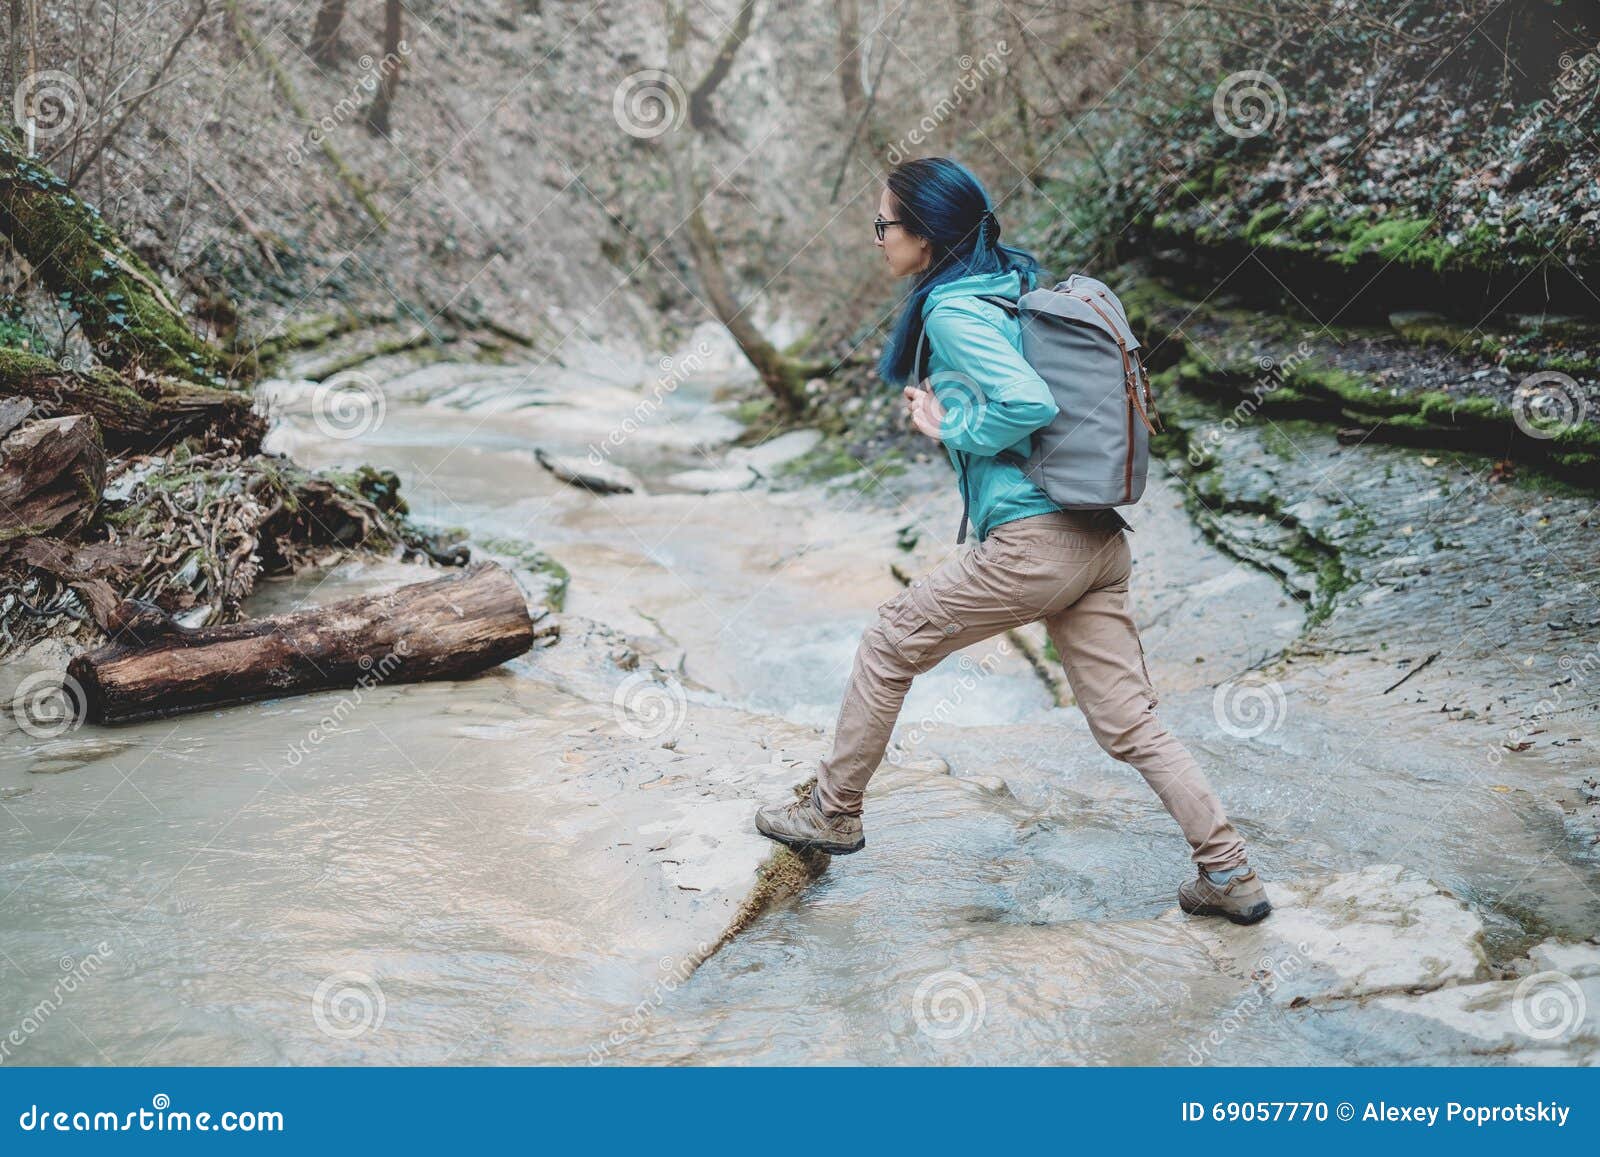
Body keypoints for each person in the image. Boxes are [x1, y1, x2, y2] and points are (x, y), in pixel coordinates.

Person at [754, 157, 1270, 925]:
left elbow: (1029, 400)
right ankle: (1229, 872)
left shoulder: (953, 312)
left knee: (890, 642)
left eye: (883, 225)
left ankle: (833, 810)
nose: (877, 240)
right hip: (1097, 542)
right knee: (1131, 724)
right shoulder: (1011, 291)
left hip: (1037, 545)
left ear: (924, 237)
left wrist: (949, 424)